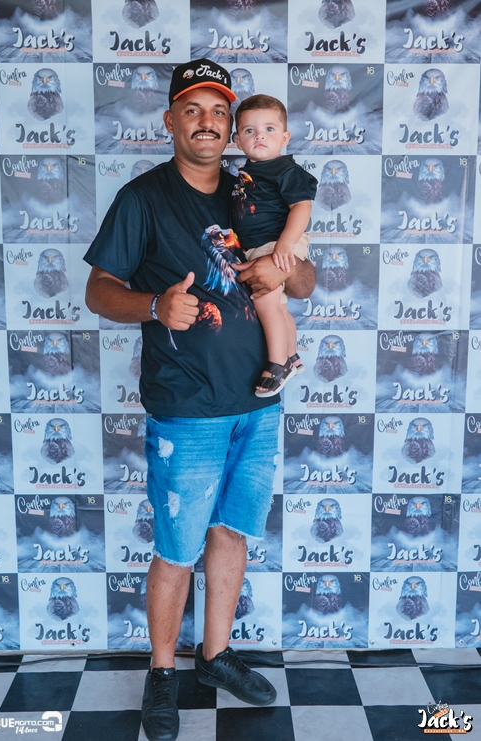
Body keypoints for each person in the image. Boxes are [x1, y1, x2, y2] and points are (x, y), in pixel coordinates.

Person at [84, 59, 316, 741]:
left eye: (219, 111)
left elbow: (304, 284)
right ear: (171, 122)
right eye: (192, 110)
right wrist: (155, 305)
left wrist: (283, 266)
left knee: (231, 531)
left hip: (258, 401)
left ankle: (214, 656)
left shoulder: (255, 186)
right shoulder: (143, 198)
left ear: (233, 126)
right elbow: (98, 290)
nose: (207, 122)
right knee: (177, 548)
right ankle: (163, 670)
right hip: (186, 407)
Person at [232, 94, 318, 397]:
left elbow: (302, 206)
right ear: (237, 140)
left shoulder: (284, 170)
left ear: (285, 137)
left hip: (277, 243)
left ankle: (277, 364)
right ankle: (292, 356)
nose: (260, 137)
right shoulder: (249, 172)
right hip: (262, 245)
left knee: (264, 301)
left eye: (269, 129)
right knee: (279, 307)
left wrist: (285, 244)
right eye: (250, 131)